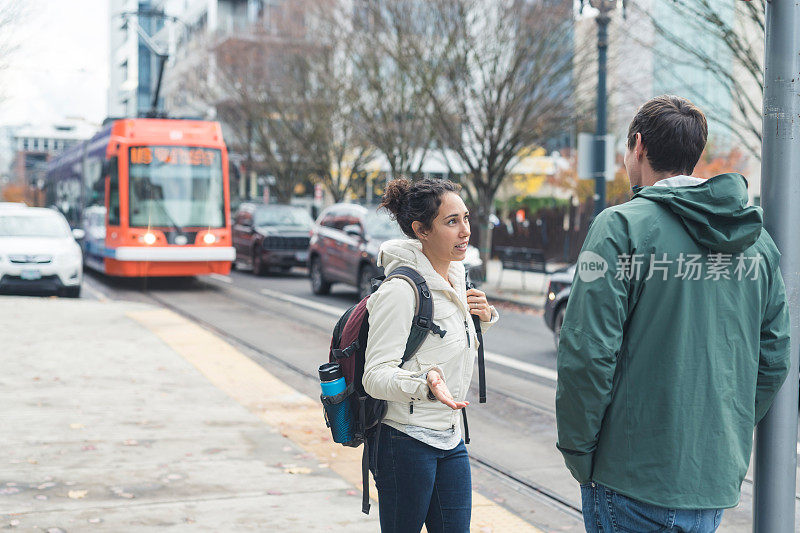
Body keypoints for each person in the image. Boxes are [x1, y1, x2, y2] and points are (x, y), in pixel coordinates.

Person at [555, 95, 791, 532]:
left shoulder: (620, 227)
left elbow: (588, 353)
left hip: (628, 476)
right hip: (712, 480)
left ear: (638, 147)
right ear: (694, 155)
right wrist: (724, 427)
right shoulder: (755, 243)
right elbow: (773, 358)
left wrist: (579, 452)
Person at [363, 177, 499, 533]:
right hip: (403, 441)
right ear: (421, 230)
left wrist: (481, 321)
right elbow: (375, 375)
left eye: (466, 218)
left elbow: (445, 347)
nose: (464, 231)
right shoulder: (400, 291)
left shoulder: (457, 281)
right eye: (451, 222)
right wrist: (424, 384)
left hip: (450, 438)